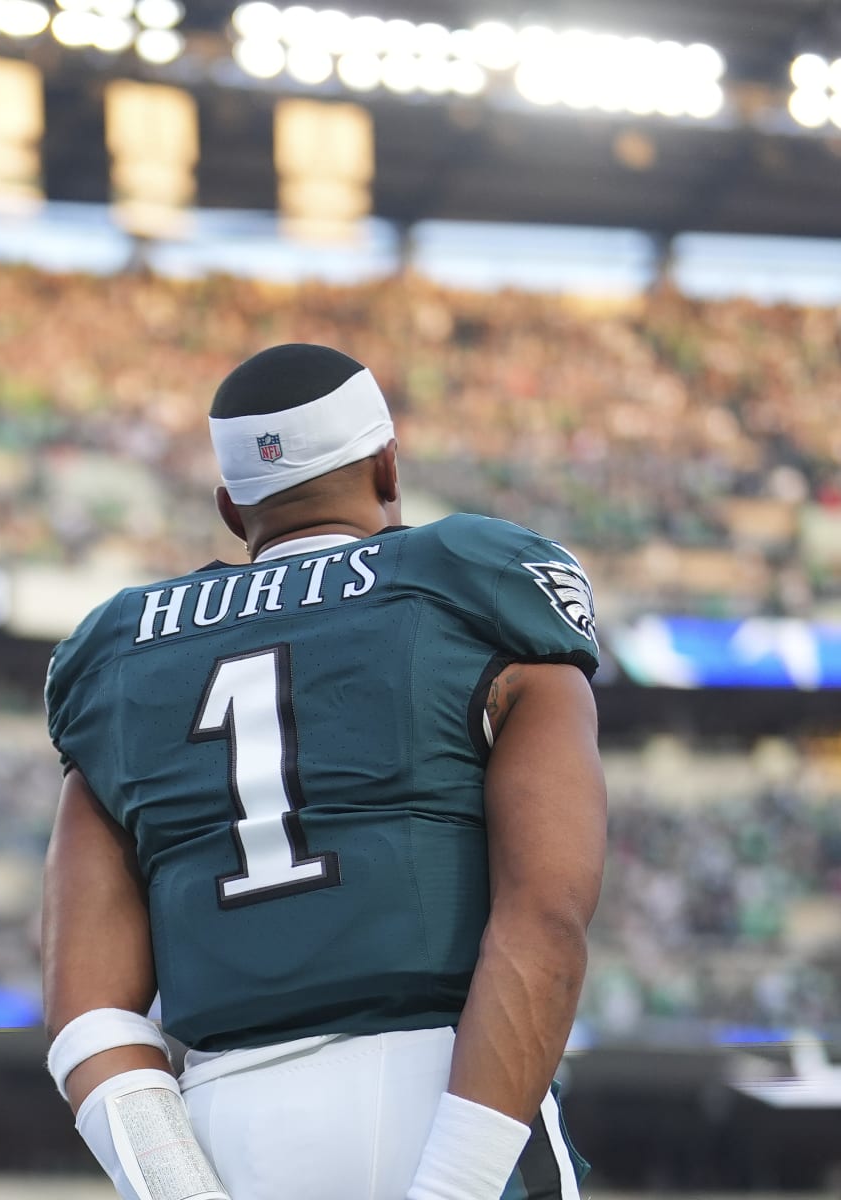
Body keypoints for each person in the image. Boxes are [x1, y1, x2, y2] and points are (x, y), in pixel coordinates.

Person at [41, 344, 606, 1200]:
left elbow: (89, 1012)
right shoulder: (473, 584)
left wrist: (180, 1188)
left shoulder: (119, 653)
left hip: (222, 1122)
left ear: (231, 508)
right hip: (449, 1094)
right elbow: (546, 920)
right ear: (386, 466)